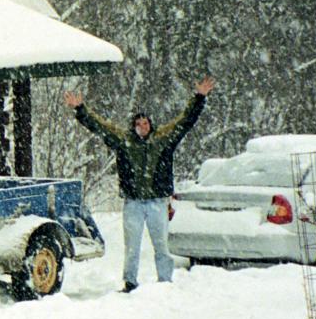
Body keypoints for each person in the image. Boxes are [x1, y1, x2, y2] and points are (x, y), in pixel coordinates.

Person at [64, 77, 215, 291]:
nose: (143, 127)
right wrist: (80, 109)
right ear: (133, 126)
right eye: (138, 124)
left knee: (161, 246)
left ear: (150, 125)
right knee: (132, 247)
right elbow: (100, 127)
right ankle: (130, 282)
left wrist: (199, 98)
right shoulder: (124, 142)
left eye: (146, 123)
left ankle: (165, 281)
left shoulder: (163, 139)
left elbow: (185, 121)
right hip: (133, 203)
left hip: (157, 202)